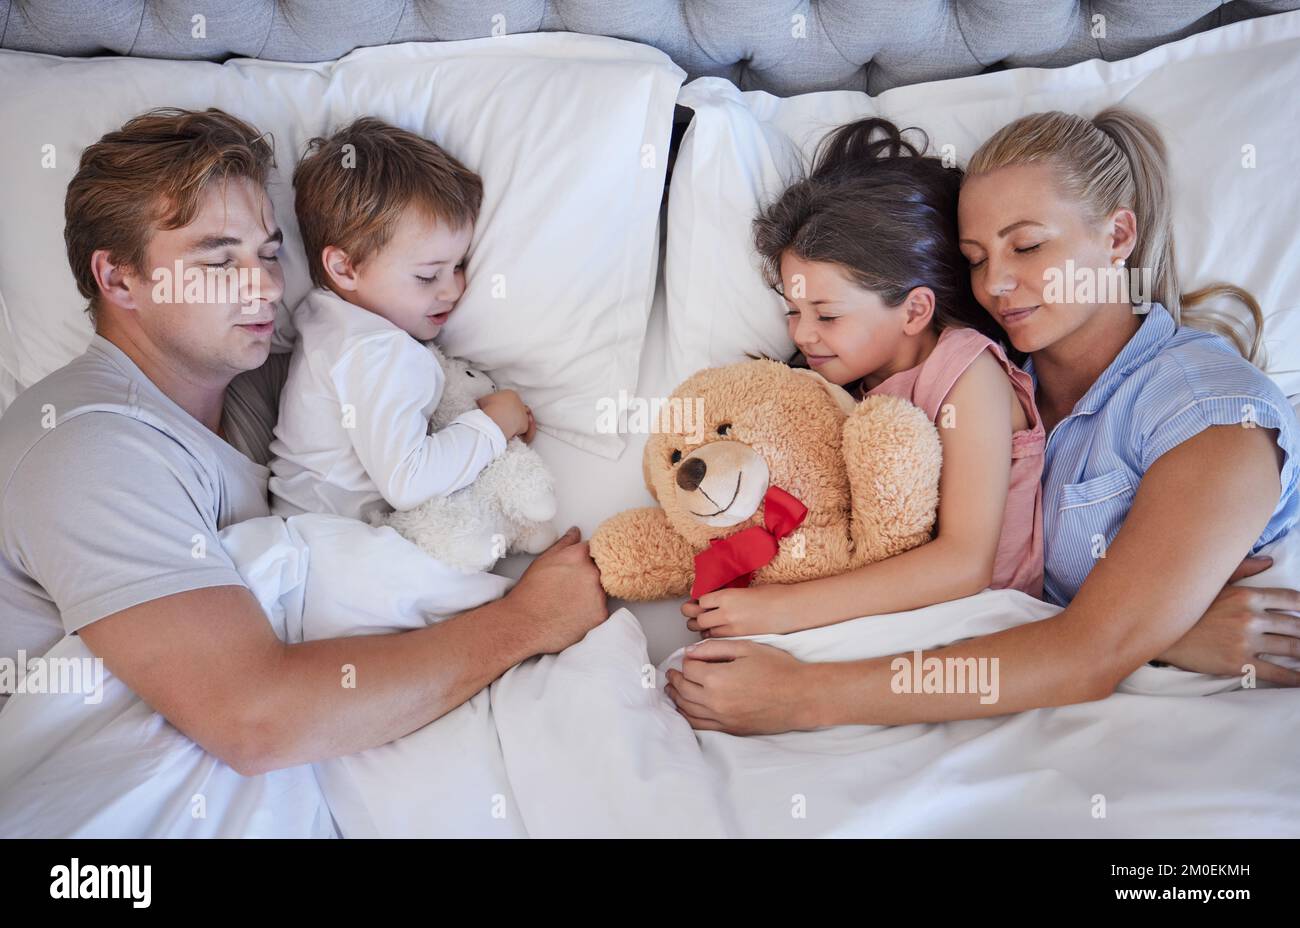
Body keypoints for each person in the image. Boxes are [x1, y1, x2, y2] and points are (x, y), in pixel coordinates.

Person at [0, 107, 607, 772]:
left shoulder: (256, 392)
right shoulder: (87, 452)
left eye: (266, 253)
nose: (264, 286)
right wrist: (527, 624)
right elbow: (254, 721)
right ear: (119, 279)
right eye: (218, 260)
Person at [667, 108, 1300, 733]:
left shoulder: (1214, 417)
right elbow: (1060, 618)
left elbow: (1085, 656)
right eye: (975, 258)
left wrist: (805, 696)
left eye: (1027, 245)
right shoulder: (972, 373)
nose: (996, 281)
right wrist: (1168, 631)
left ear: (1116, 237)